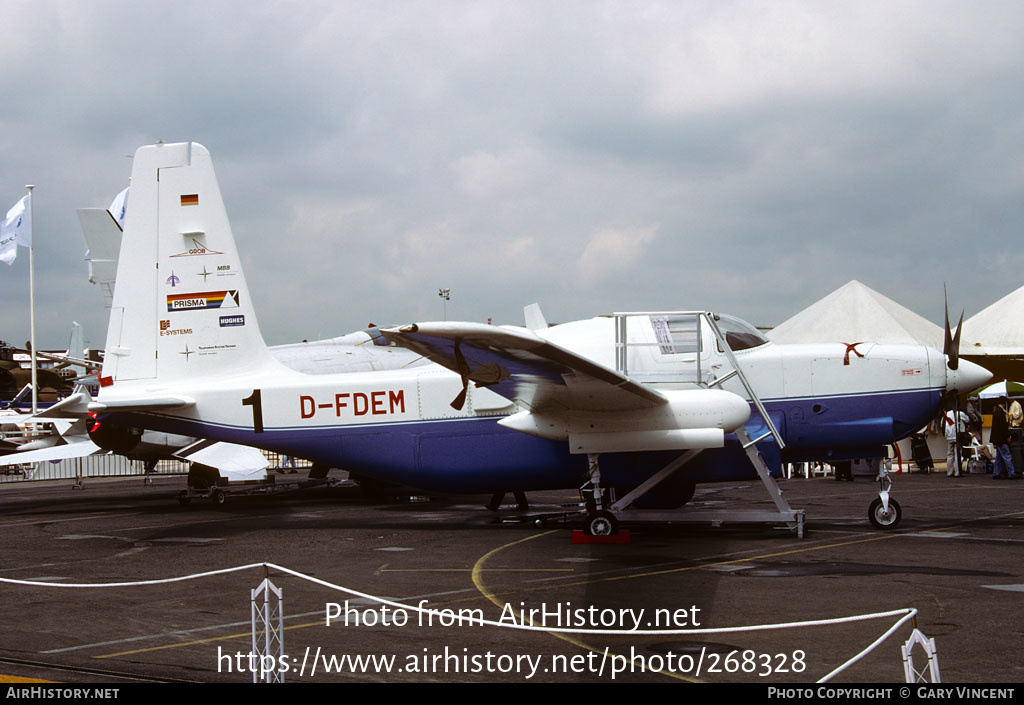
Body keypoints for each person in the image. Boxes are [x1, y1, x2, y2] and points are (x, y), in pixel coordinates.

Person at [990, 397, 1018, 480]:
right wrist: (1007, 436)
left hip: (997, 438)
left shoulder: (996, 412)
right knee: (1007, 456)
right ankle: (1011, 473)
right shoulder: (1000, 412)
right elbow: (1003, 427)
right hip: (1001, 439)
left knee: (999, 457)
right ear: (1003, 403)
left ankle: (996, 473)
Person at [944, 408, 969, 477]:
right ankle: (957, 472)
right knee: (957, 454)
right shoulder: (960, 413)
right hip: (957, 436)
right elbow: (967, 419)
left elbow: (942, 423)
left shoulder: (947, 413)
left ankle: (949, 472)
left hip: (949, 436)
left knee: (949, 454)